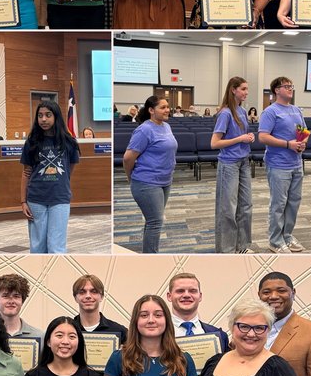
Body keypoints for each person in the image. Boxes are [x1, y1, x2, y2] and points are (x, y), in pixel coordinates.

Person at [195, 298, 307, 376]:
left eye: (259, 328)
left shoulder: (278, 370)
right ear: (232, 328)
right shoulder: (213, 362)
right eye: (244, 326)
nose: (251, 334)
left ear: (268, 331)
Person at [104, 295, 198, 376]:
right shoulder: (119, 358)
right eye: (144, 315)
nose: (151, 320)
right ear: (135, 321)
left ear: (167, 321)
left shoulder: (183, 360)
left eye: (158, 315)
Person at [20, 100, 80, 252]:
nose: (43, 119)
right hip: (35, 199)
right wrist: (23, 201)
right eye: (40, 116)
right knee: (37, 246)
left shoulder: (69, 142)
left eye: (48, 115)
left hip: (59, 199)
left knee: (56, 246)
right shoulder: (32, 142)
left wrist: (61, 185)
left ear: (56, 117)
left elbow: (69, 169)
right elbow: (26, 172)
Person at [258, 77, 307, 253]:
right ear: (276, 90)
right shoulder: (270, 112)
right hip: (278, 164)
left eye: (291, 86)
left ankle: (287, 236)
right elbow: (263, 137)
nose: (290, 89)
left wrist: (302, 142)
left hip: (296, 163)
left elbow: (303, 132)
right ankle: (275, 240)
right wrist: (288, 144)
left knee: (294, 202)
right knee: (278, 204)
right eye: (286, 86)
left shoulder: (296, 110)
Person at [123, 95, 176, 253]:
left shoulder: (166, 126)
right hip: (147, 182)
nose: (167, 110)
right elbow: (128, 158)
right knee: (155, 222)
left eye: (168, 107)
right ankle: (151, 257)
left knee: (152, 221)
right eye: (163, 107)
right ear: (151, 110)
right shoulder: (144, 130)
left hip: (165, 181)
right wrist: (130, 177)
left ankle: (148, 253)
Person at [211, 76, 255, 253]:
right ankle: (227, 249)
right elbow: (214, 143)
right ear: (233, 90)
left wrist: (248, 138)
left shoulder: (242, 112)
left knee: (246, 206)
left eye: (246, 89)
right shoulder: (225, 113)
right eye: (243, 89)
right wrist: (240, 138)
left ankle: (242, 245)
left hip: (243, 161)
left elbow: (241, 137)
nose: (246, 92)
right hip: (229, 163)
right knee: (228, 208)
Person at [165, 273, 229, 351]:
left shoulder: (220, 336)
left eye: (192, 291)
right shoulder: (157, 334)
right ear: (169, 296)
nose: (186, 295)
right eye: (180, 291)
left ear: (200, 296)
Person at [71, 275, 128, 339]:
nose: (88, 296)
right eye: (82, 292)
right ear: (75, 298)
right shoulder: (68, 330)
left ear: (102, 297)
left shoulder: (120, 332)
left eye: (94, 291)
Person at [0, 273, 43, 338]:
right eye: (5, 296)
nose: (11, 301)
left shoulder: (39, 336)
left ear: (22, 300)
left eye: (16, 296)